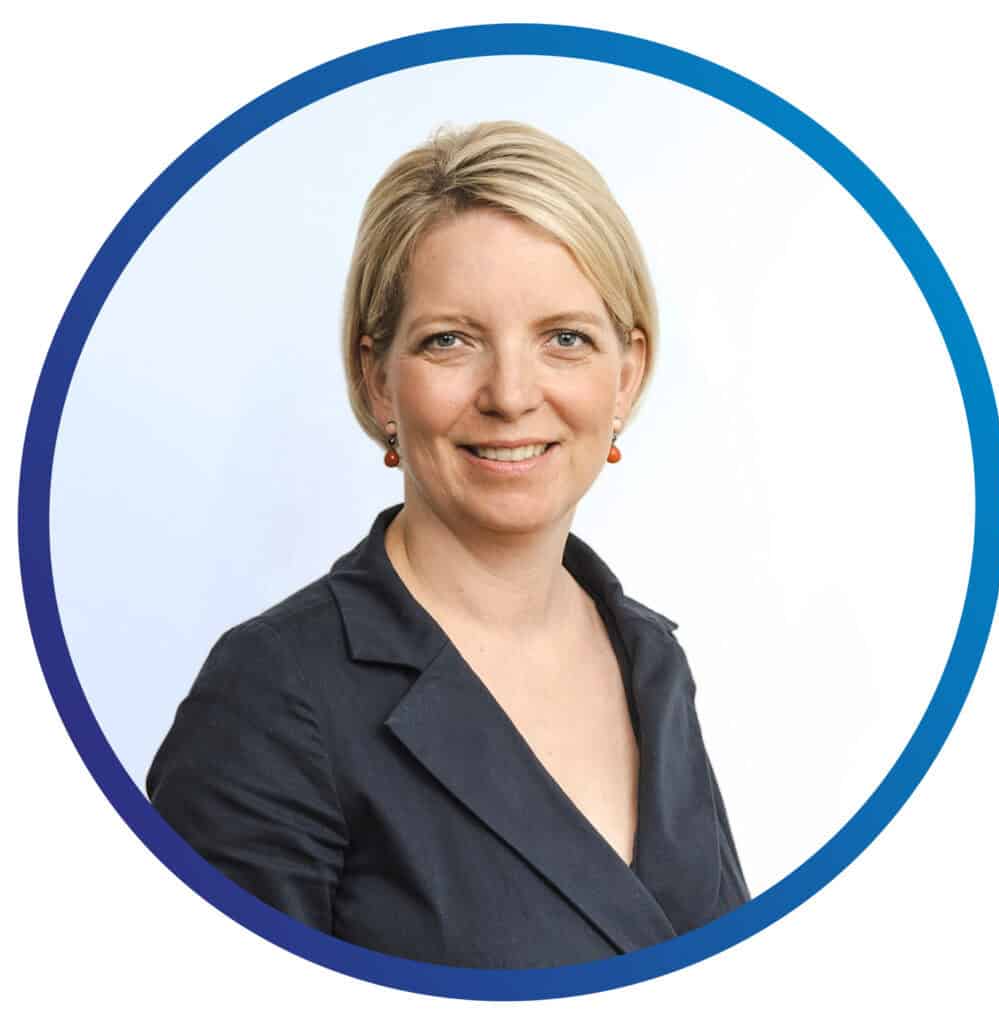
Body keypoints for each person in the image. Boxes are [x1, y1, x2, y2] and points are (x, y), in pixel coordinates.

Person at [147, 120, 749, 968]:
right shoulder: (275, 696)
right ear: (376, 380)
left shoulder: (650, 659)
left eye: (565, 338)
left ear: (625, 375)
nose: (511, 394)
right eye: (450, 340)